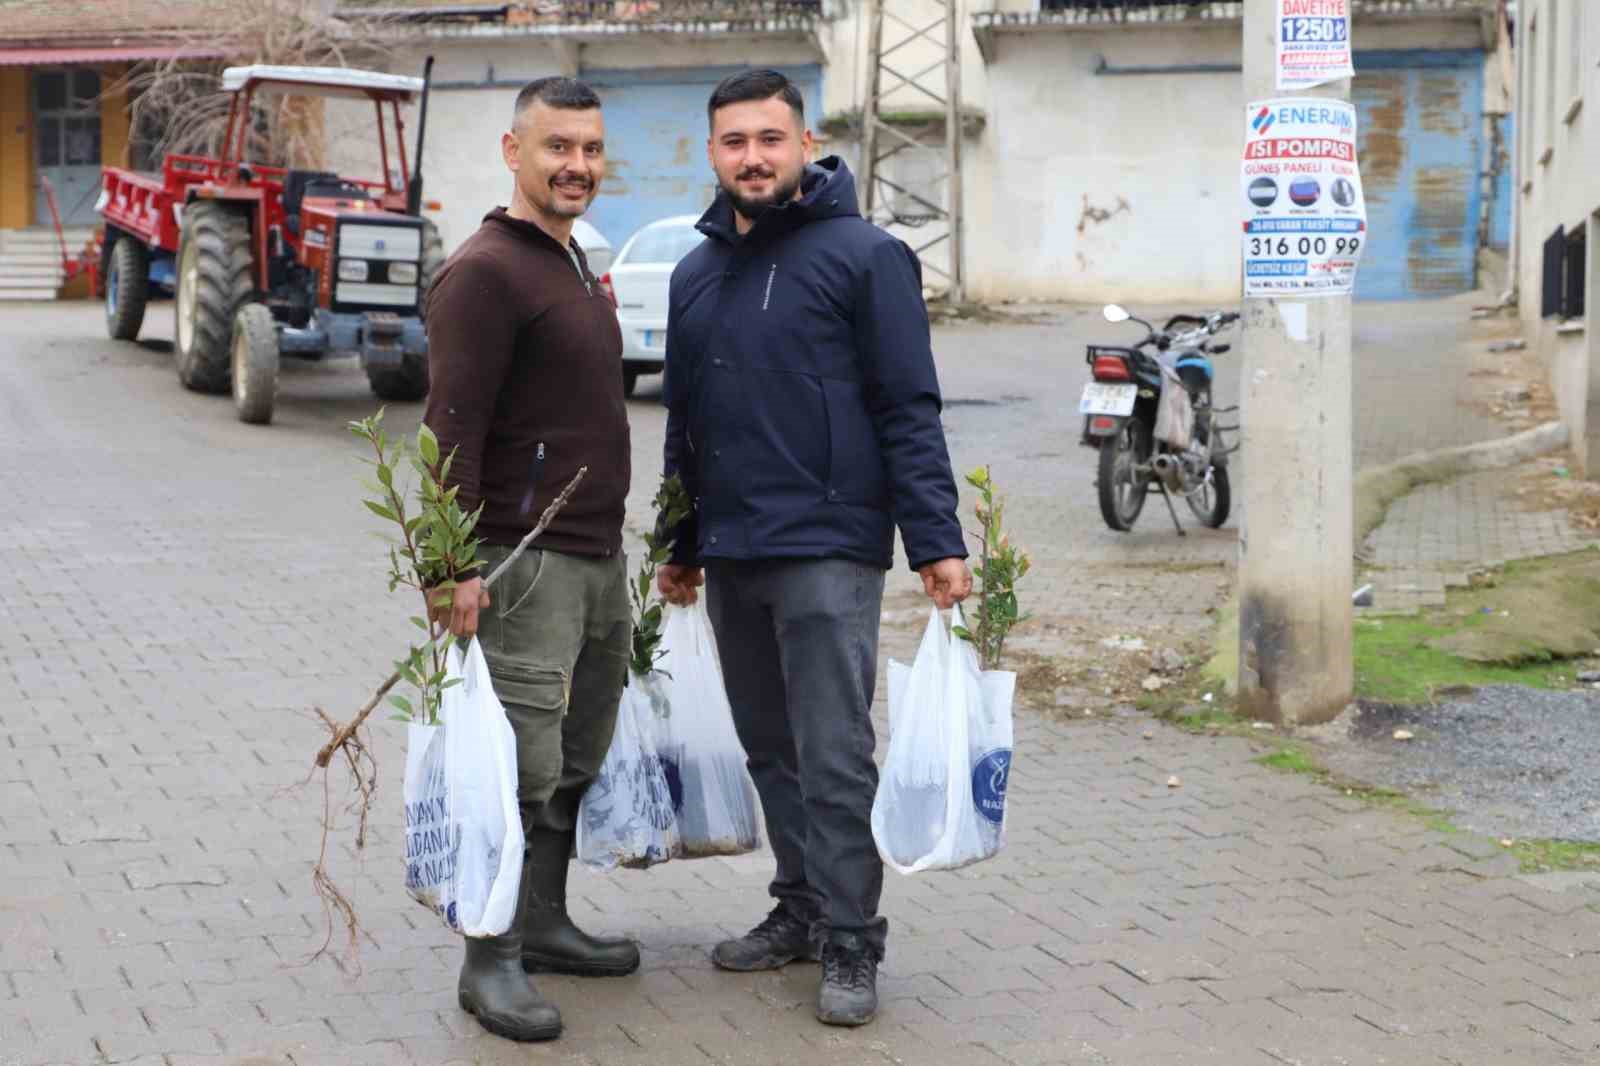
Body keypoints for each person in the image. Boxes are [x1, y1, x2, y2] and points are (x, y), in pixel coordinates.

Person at [656, 69, 972, 1028]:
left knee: (834, 753)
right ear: (711, 153)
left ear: (804, 143)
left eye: (769, 138)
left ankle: (851, 941)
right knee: (770, 749)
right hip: (735, 548)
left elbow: (907, 407)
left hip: (830, 545)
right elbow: (686, 419)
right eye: (733, 142)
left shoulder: (866, 257)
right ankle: (796, 909)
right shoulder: (694, 272)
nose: (752, 157)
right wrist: (680, 539)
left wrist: (936, 540)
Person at [423, 76, 634, 1044]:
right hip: (520, 564)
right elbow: (451, 428)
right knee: (517, 764)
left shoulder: (573, 261)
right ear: (514, 153)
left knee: (575, 754)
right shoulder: (485, 273)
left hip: (594, 557)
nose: (577, 166)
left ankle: (542, 921)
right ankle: (489, 957)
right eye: (558, 148)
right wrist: (448, 562)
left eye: (590, 149)